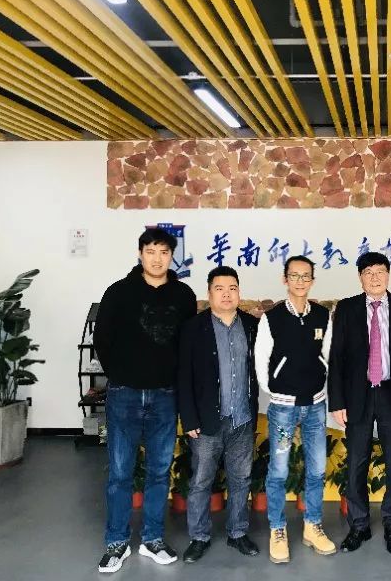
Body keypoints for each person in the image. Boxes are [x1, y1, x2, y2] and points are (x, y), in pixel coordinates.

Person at [94, 228, 197, 573]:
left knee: (159, 471)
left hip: (165, 396)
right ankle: (116, 542)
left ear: (171, 256)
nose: (157, 258)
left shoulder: (183, 295)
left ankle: (153, 538)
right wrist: (122, 374)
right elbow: (102, 339)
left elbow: (186, 345)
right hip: (124, 394)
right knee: (120, 472)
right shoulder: (119, 292)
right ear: (140, 254)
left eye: (164, 252)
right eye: (151, 251)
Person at [328, 252, 391, 555]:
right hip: (357, 395)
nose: (375, 277)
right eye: (368, 272)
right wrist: (337, 401)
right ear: (360, 278)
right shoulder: (347, 309)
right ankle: (359, 526)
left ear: (388, 275)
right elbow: (337, 357)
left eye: (380, 271)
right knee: (356, 461)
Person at [254, 255, 336, 564]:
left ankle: (313, 526)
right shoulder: (272, 318)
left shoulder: (322, 316)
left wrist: (321, 384)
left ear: (312, 280)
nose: (300, 281)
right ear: (284, 279)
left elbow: (327, 355)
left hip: (315, 405)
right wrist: (274, 390)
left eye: (305, 276)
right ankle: (278, 529)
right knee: (279, 471)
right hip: (283, 408)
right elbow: (261, 358)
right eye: (294, 275)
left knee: (316, 469)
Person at [177, 266, 260, 564]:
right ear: (209, 292)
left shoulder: (252, 326)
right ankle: (199, 537)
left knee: (241, 479)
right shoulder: (193, 328)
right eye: (220, 288)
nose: (227, 294)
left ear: (239, 292)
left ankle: (237, 532)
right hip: (206, 421)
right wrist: (189, 419)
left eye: (232, 288)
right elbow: (183, 376)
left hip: (242, 419)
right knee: (201, 481)